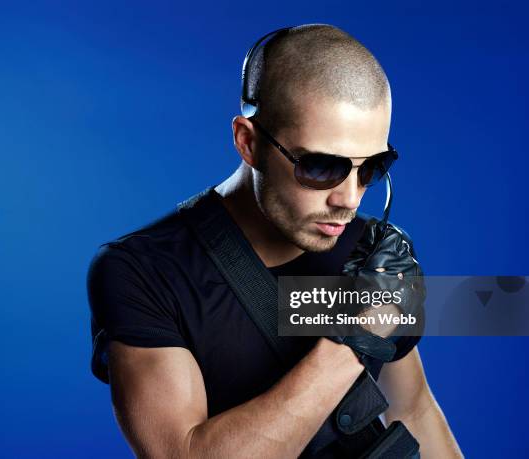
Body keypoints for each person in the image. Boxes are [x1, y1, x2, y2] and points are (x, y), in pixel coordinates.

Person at [87, 24, 462, 458]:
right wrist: (357, 334)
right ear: (247, 142)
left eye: (371, 168)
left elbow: (413, 409)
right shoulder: (144, 271)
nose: (350, 199)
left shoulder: (369, 252)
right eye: (322, 167)